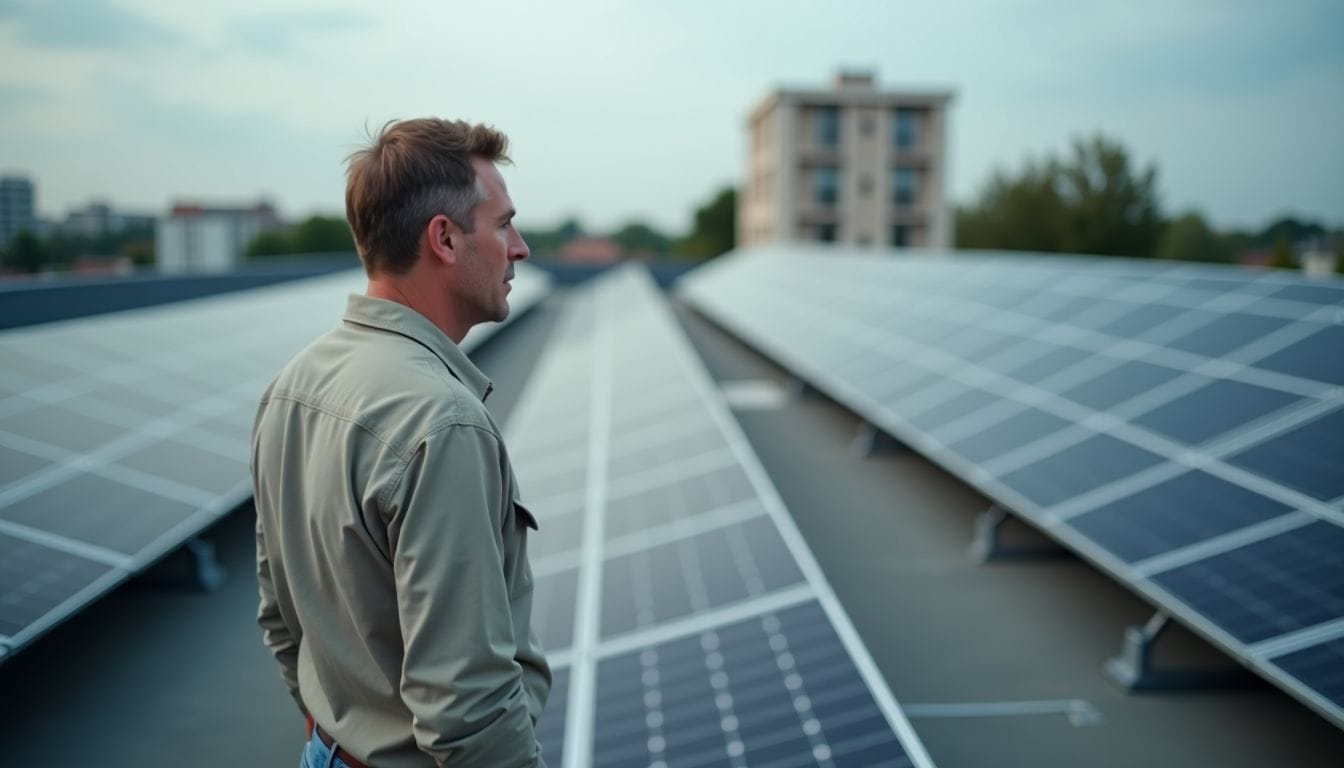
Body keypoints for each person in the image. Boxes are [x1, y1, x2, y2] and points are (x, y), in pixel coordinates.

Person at [251, 118, 550, 768]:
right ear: (443, 238)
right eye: (503, 224)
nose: (520, 248)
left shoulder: (291, 385)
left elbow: (280, 616)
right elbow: (467, 705)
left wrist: (337, 732)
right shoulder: (442, 423)